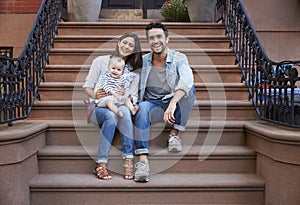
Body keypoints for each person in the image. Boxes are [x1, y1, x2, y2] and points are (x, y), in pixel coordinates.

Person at [134, 22, 195, 182]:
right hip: (152, 103)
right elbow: (129, 81)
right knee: (142, 108)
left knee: (190, 90)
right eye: (151, 38)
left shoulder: (179, 58)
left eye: (159, 36)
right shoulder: (143, 60)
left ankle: (174, 133)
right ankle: (142, 161)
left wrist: (174, 102)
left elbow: (187, 79)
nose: (156, 41)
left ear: (167, 39)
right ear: (148, 41)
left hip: (171, 102)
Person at [83, 32, 142, 180]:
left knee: (125, 113)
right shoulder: (100, 61)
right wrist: (95, 95)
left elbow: (133, 95)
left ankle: (128, 160)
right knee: (110, 115)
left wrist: (126, 95)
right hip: (99, 107)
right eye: (124, 42)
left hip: (119, 102)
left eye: (131, 45)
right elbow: (88, 86)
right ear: (118, 43)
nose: (126, 47)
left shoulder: (131, 71)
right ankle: (101, 163)